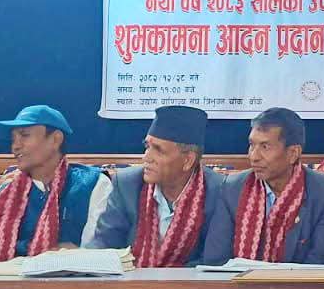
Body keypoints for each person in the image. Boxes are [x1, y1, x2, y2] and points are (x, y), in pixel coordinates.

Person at [0, 105, 111, 267]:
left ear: (55, 139)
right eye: (13, 139)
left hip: (75, 283)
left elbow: (100, 251)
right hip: (9, 283)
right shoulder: (3, 195)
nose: (15, 146)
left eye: (24, 135)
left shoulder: (92, 184)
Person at [89, 105, 224, 267]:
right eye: (147, 147)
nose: (146, 157)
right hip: (130, 280)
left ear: (188, 160)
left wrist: (162, 279)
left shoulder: (219, 192)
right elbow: (103, 245)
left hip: (191, 282)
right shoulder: (126, 184)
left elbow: (213, 260)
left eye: (158, 150)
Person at [203, 107, 324, 264]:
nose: (254, 156)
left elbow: (321, 262)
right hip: (238, 279)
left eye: (265, 147)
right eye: (252, 145)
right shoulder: (232, 188)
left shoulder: (323, 191)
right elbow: (216, 260)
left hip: (300, 280)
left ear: (293, 153)